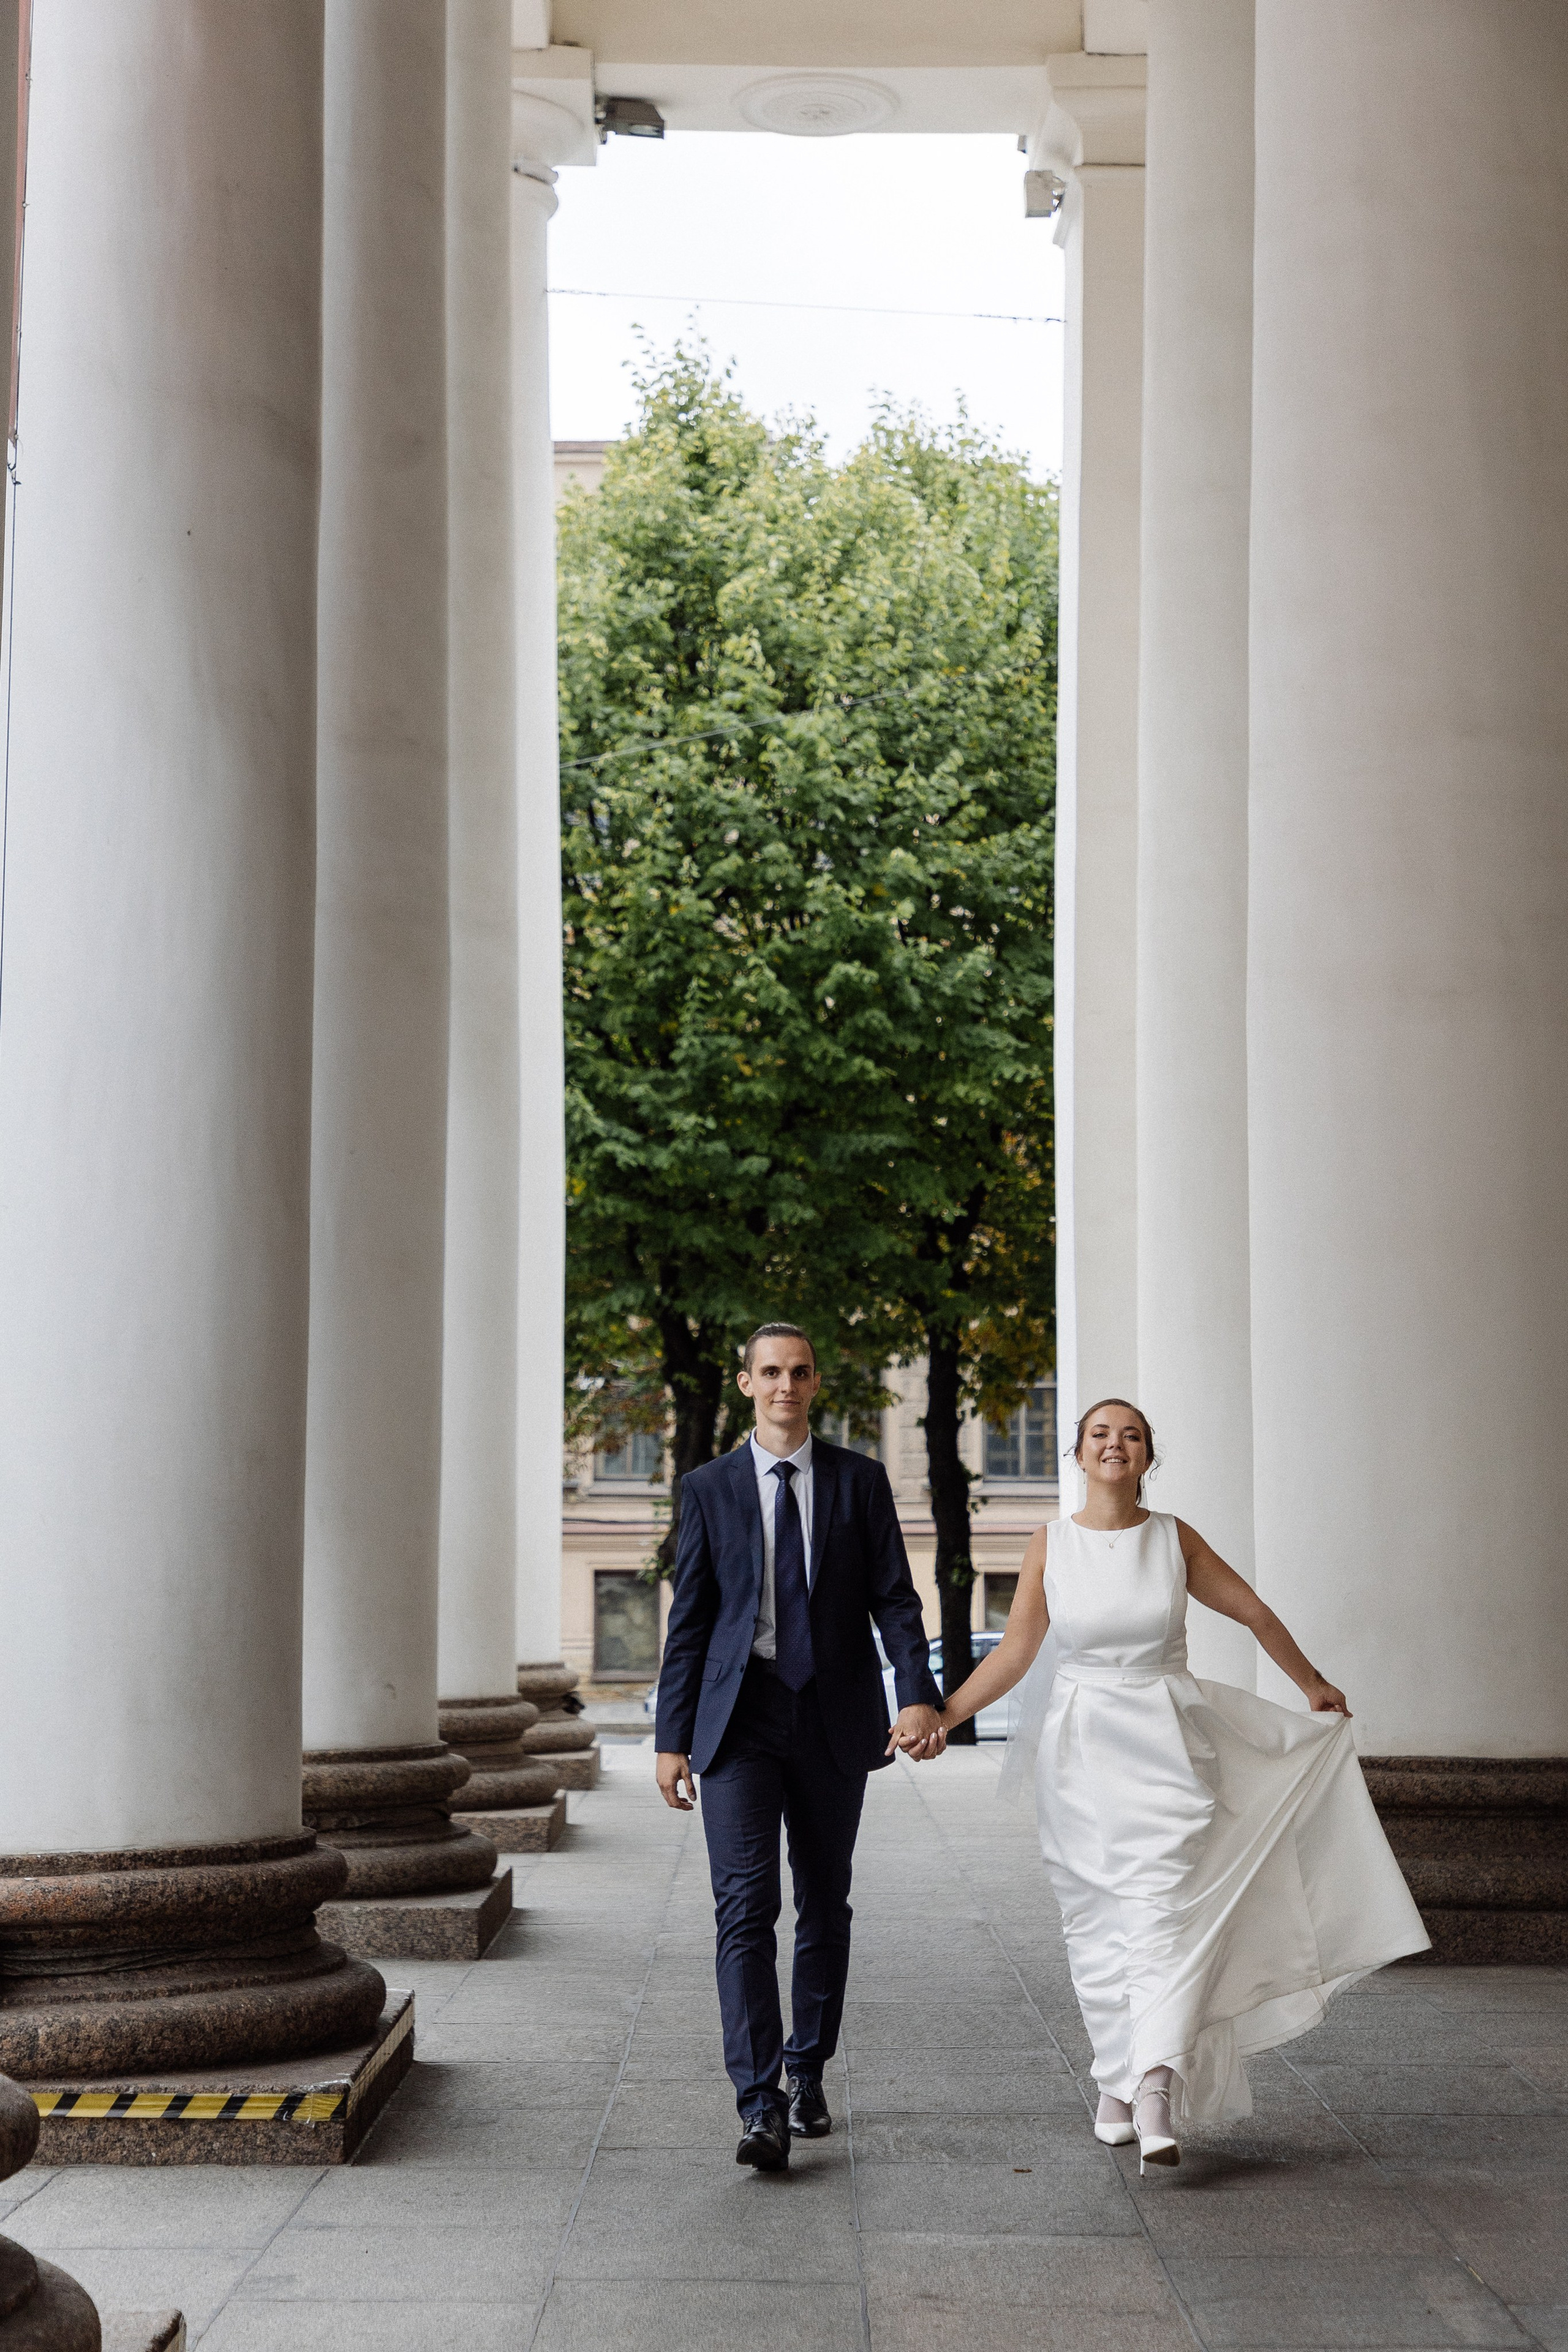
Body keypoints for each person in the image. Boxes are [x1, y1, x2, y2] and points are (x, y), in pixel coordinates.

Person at [929, 1398, 1430, 2174]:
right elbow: (1016, 1654)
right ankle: (1114, 2083)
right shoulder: (1050, 1544)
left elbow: (1253, 1612)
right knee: (1093, 1922)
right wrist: (943, 1716)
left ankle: (1156, 2083)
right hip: (1078, 1755)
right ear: (1078, 1454)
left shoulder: (1172, 1538)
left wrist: (1311, 1682)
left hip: (1166, 1746)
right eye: (1100, 1434)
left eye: (1130, 1435)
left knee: (1163, 1914)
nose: (1114, 1445)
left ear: (1147, 1456)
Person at [654, 1323, 943, 2173]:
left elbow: (895, 1598)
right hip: (738, 1719)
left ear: (816, 1383)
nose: (787, 1384)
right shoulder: (708, 1488)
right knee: (745, 1908)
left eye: (800, 1372)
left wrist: (917, 1692)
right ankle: (759, 2104)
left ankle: (806, 2069)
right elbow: (691, 1621)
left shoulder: (859, 1481)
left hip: (832, 1714)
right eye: (771, 1372)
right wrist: (672, 1738)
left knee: (824, 1901)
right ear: (747, 1383)